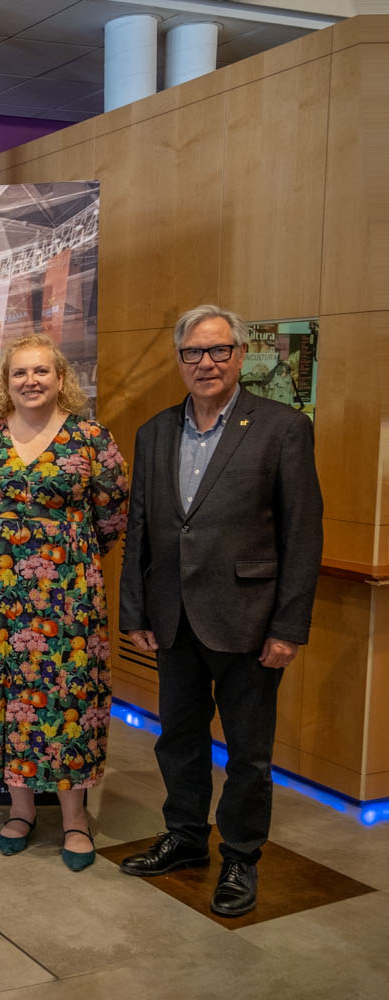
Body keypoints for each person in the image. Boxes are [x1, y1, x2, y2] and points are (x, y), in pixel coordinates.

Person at [118, 305, 322, 917]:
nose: (205, 363)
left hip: (250, 621)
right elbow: (141, 528)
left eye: (218, 350)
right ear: (179, 359)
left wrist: (288, 626)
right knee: (177, 739)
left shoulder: (282, 428)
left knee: (248, 754)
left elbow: (302, 535)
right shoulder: (155, 431)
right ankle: (185, 838)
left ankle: (240, 855)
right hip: (173, 618)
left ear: (241, 355)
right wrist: (135, 610)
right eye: (192, 352)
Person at [0, 334, 129, 872]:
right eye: (20, 373)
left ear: (60, 378)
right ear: (6, 382)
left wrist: (63, 556)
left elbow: (112, 514)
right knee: (5, 695)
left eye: (41, 371)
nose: (31, 381)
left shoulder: (91, 438)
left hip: (67, 597)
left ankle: (75, 818)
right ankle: (20, 811)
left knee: (68, 696)